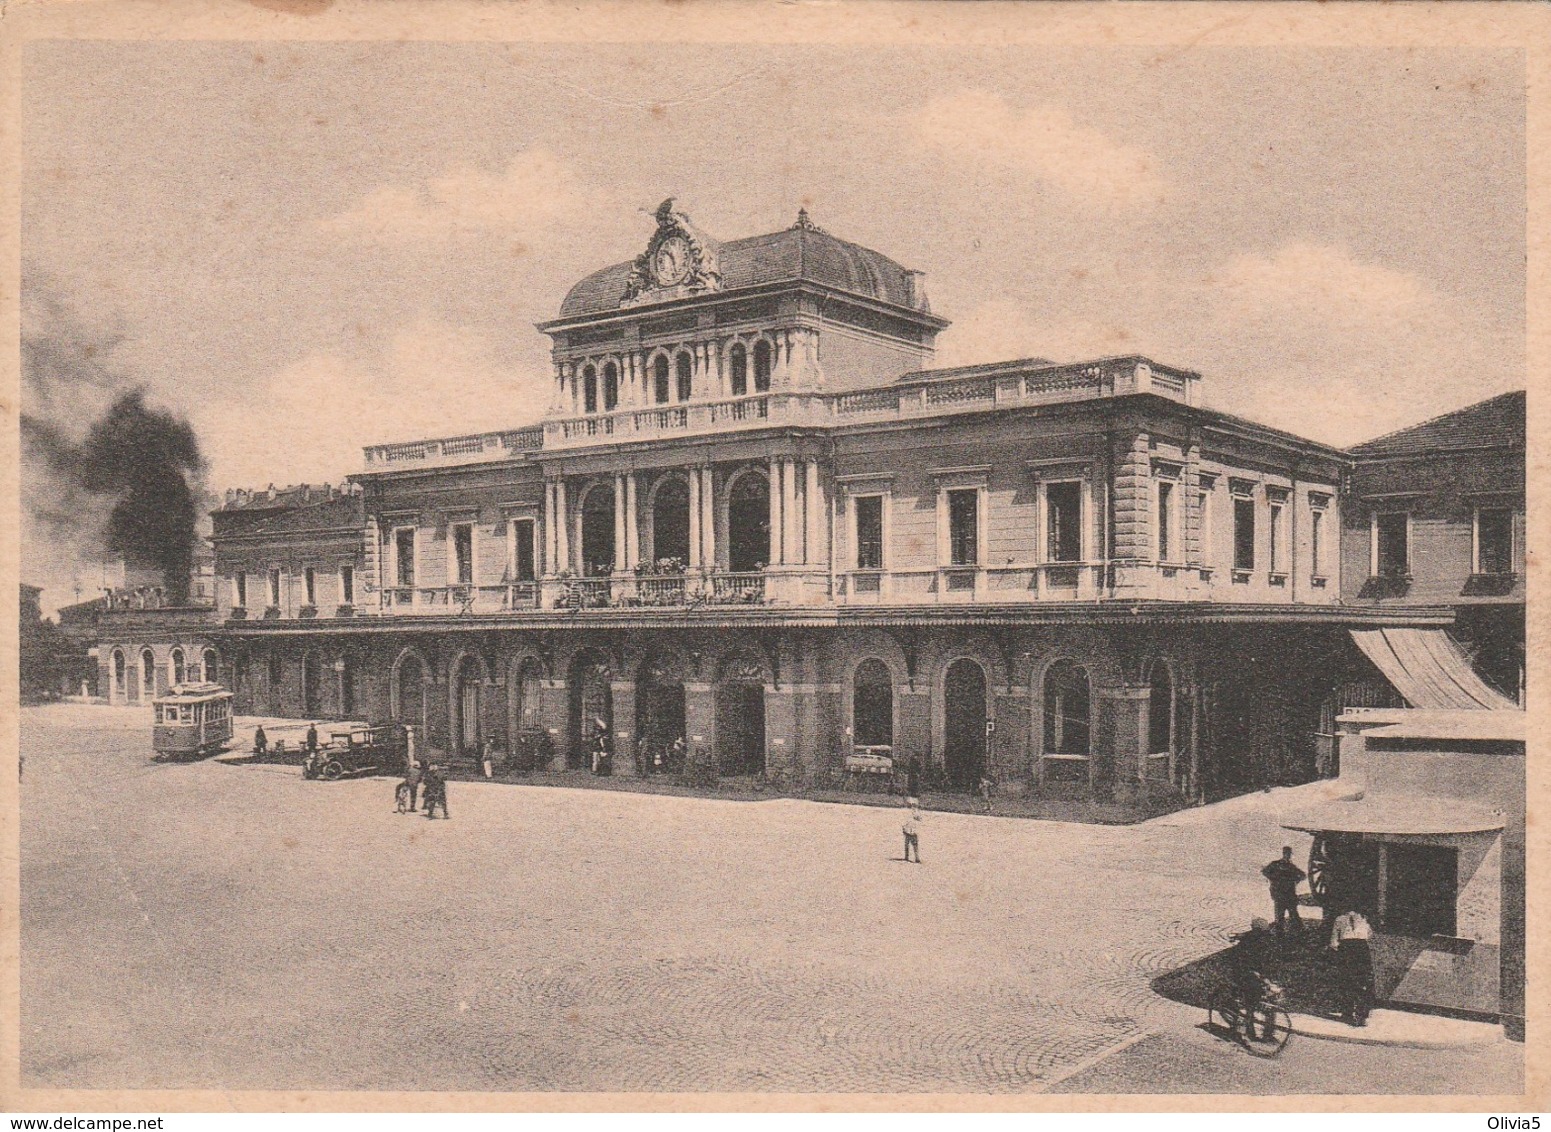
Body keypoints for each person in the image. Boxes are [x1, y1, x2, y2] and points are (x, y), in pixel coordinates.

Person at [1226, 918, 1277, 1033]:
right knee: (1251, 1001)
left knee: (1268, 999)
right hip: (1244, 973)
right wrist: (1254, 973)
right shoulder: (1250, 942)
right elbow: (1241, 960)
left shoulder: (1257, 939)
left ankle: (1267, 1031)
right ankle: (1250, 1030)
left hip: (1255, 973)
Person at [1330, 907, 1374, 1026]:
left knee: (1347, 980)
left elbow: (1333, 943)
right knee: (1363, 981)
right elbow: (1369, 935)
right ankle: (1361, 1014)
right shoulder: (1364, 919)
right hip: (1361, 949)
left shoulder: (1339, 919)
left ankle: (1348, 1012)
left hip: (1346, 949)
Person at [1262, 846, 1307, 937]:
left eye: (1289, 854)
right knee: (1286, 915)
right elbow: (1302, 876)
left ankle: (1286, 934)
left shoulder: (1281, 865)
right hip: (1284, 894)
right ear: (1285, 854)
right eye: (1287, 854)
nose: (1288, 856)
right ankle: (1292, 934)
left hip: (1283, 894)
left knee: (1287, 915)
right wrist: (1276, 879)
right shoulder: (1286, 866)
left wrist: (1274, 879)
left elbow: (1303, 876)